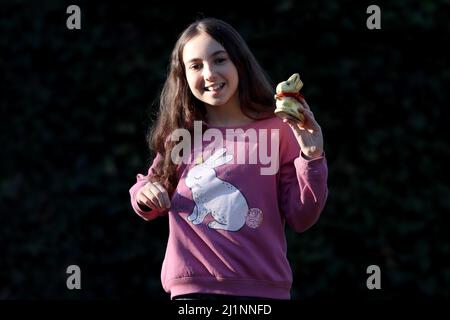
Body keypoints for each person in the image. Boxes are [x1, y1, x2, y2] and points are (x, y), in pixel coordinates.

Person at [129, 17, 328, 300]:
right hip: (192, 293)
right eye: (196, 66)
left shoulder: (278, 128)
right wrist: (145, 194)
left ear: (239, 63)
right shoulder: (183, 134)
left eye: (219, 59)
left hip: (262, 294)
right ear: (183, 76)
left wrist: (312, 157)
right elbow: (150, 186)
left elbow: (302, 216)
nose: (209, 73)